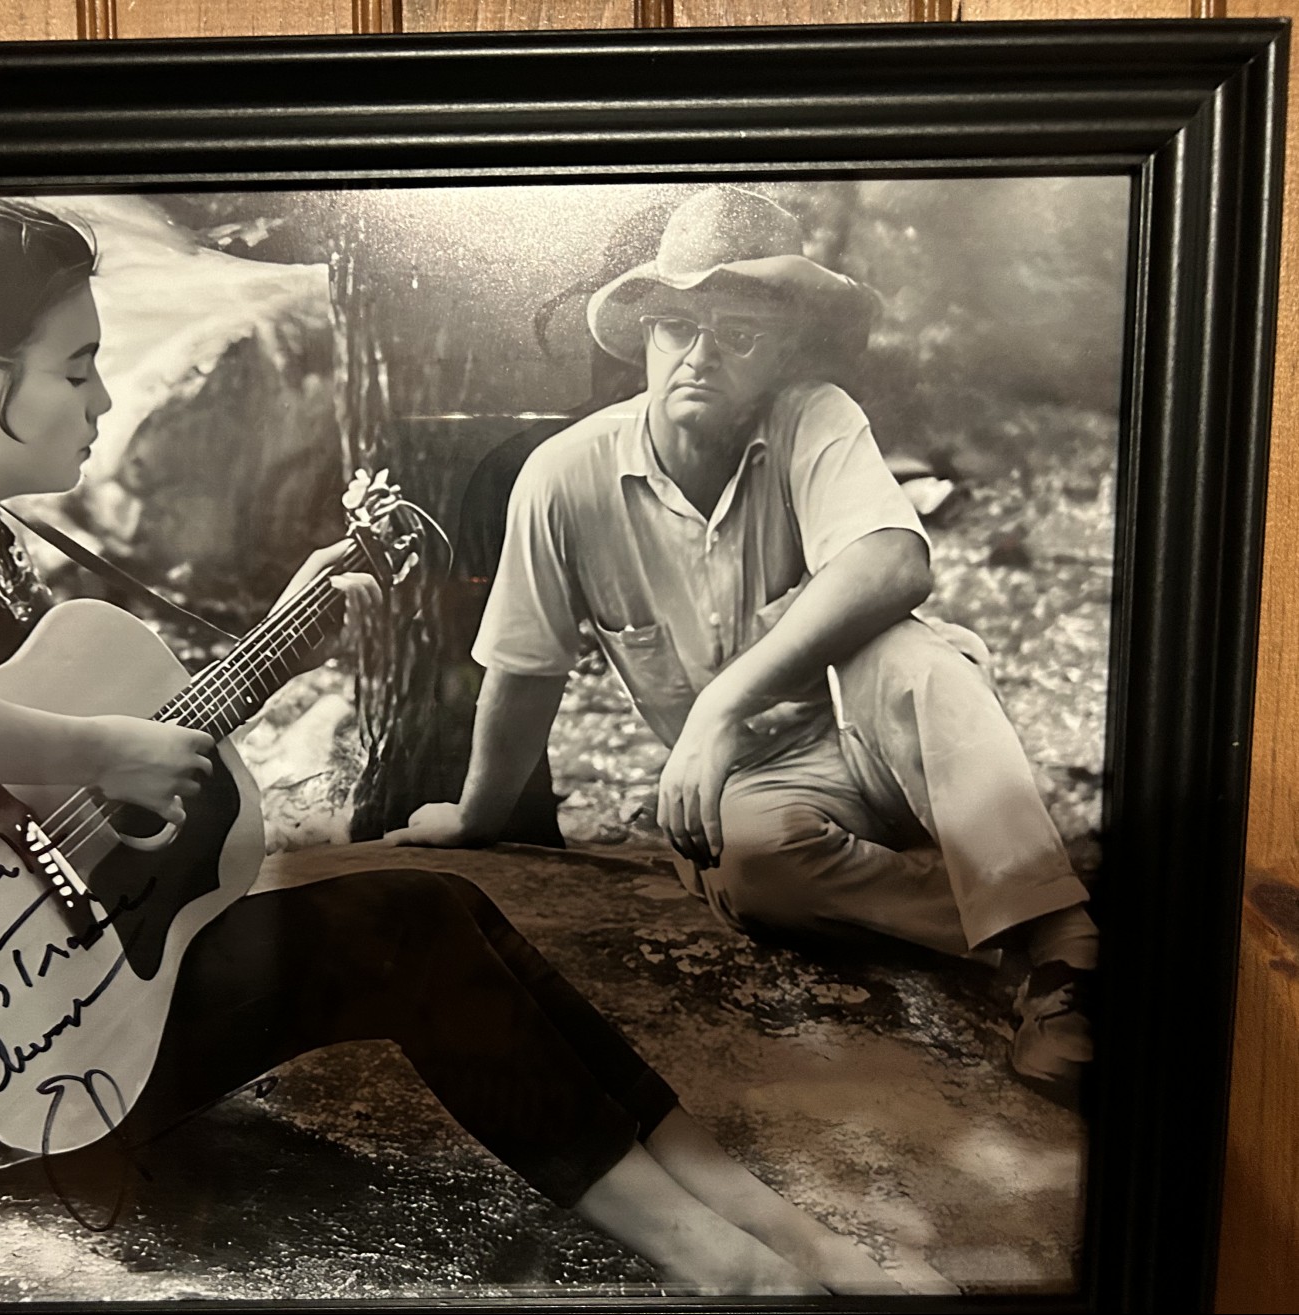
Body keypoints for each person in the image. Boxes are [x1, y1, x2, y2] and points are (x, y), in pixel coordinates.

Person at [0, 196, 904, 1294]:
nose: (102, 397)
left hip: (51, 987)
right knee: (404, 937)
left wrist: (272, 649)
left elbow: (28, 782)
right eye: (78, 368)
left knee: (445, 907)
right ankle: (722, 1262)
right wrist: (103, 749)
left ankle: (761, 1216)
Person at [387, 185, 1098, 1093]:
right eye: (675, 327)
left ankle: (1062, 949)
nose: (700, 356)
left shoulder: (813, 416)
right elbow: (527, 670)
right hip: (765, 785)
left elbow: (893, 562)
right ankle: (1034, 938)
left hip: (886, 744)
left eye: (740, 332)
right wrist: (476, 815)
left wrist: (722, 703)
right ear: (645, 338)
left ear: (787, 348)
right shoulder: (563, 479)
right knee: (753, 867)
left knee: (913, 658)